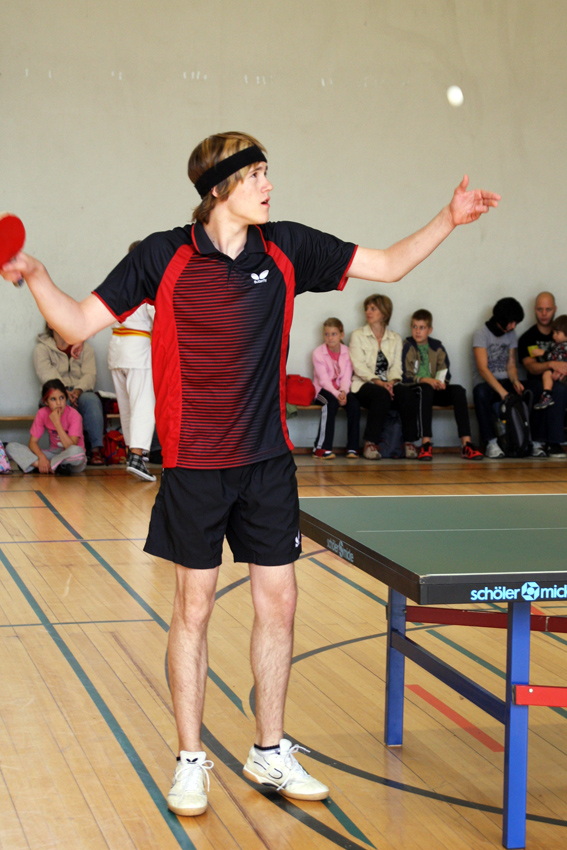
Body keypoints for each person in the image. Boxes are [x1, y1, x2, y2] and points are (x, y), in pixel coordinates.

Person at [1, 131, 499, 816]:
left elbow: (384, 265)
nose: (269, 184)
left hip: (266, 462)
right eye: (256, 174)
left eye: (268, 171)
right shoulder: (162, 255)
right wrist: (34, 276)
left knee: (280, 606)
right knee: (193, 611)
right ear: (219, 188)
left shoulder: (286, 246)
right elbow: (76, 323)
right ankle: (190, 759)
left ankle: (269, 751)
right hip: (196, 466)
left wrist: (448, 218)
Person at [400, 309, 483, 460]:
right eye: (414, 327)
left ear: (430, 330)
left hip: (433, 389)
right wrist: (426, 380)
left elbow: (444, 371)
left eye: (422, 327)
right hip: (416, 390)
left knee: (458, 390)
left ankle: (466, 444)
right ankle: (426, 443)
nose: (417, 331)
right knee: (426, 389)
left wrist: (441, 383)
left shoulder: (437, 346)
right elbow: (406, 376)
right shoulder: (408, 346)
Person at [107, 240, 157, 482]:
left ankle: (132, 455)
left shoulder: (119, 281)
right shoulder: (148, 282)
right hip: (137, 349)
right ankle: (137, 456)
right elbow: (158, 318)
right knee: (143, 404)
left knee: (126, 406)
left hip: (116, 350)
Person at [349, 294, 418, 459]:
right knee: (381, 395)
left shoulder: (394, 338)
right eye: (367, 308)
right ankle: (370, 444)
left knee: (407, 394)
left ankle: (409, 442)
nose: (368, 312)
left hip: (388, 384)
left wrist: (391, 382)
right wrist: (379, 382)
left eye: (373, 308)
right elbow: (358, 367)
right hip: (364, 384)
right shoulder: (358, 335)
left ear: (384, 312)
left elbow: (396, 367)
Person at [33, 324, 105, 464]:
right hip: (57, 391)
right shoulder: (42, 348)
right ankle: (60, 452)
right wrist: (64, 392)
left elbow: (90, 374)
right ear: (50, 324)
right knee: (59, 402)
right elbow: (46, 374)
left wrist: (77, 390)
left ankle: (96, 451)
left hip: (81, 391)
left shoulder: (84, 348)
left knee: (92, 401)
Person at [472, 297, 527, 458]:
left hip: (505, 381)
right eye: (511, 322)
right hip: (487, 383)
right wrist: (503, 392)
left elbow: (511, 365)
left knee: (534, 389)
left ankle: (530, 442)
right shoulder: (481, 334)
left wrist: (515, 381)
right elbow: (483, 369)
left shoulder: (511, 334)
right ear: (502, 319)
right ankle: (491, 443)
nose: (513, 326)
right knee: (480, 394)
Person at [518, 292, 567, 458]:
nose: (544, 313)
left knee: (560, 387)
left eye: (548, 309)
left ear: (555, 309)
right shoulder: (528, 338)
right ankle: (554, 442)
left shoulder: (564, 332)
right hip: (536, 381)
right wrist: (552, 364)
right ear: (534, 310)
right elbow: (531, 368)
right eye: (540, 309)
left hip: (561, 379)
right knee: (557, 390)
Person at [6, 379, 87, 474]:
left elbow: (70, 446)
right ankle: (51, 466)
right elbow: (32, 443)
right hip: (53, 453)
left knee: (78, 452)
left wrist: (57, 423)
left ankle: (39, 465)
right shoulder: (42, 413)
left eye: (62, 398)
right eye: (53, 399)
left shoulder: (74, 415)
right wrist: (42, 457)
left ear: (66, 398)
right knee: (10, 447)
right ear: (46, 402)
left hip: (71, 458)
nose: (58, 403)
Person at [311, 317, 360, 459]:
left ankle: (352, 448)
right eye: (327, 334)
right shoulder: (318, 353)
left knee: (354, 404)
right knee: (330, 403)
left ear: (341, 335)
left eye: (334, 334)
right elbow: (324, 380)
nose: (330, 338)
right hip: (323, 391)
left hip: (341, 390)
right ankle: (320, 448)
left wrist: (343, 392)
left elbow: (346, 378)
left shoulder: (347, 352)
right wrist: (337, 394)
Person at [532, 315, 567, 409]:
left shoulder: (564, 346)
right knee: (547, 372)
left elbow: (558, 358)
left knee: (547, 373)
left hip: (564, 374)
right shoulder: (556, 344)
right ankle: (546, 394)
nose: (554, 335)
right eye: (553, 332)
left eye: (558, 333)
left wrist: (543, 353)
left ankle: (547, 394)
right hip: (558, 372)